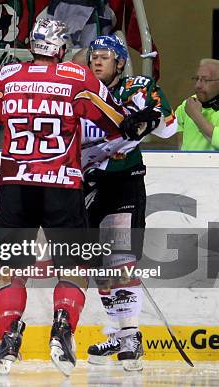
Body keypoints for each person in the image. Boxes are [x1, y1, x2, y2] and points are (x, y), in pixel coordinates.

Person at [0, 18, 155, 376]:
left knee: (10, 270)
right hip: (62, 187)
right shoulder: (76, 78)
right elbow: (116, 121)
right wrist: (137, 120)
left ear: (31, 45)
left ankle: (8, 339)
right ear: (62, 48)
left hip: (15, 186)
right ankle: (62, 328)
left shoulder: (7, 75)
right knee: (75, 269)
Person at [79, 35, 177, 372]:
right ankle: (119, 332)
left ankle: (132, 334)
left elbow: (167, 128)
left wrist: (151, 117)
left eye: (104, 56)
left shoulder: (136, 87)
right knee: (98, 267)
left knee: (120, 259)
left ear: (120, 62)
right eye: (93, 56)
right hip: (90, 184)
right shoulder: (82, 89)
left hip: (124, 181)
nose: (96, 61)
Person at [176, 58, 219, 151]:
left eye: (205, 80)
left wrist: (196, 115)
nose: (197, 85)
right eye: (197, 79)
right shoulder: (188, 103)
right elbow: (175, 130)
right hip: (188, 165)